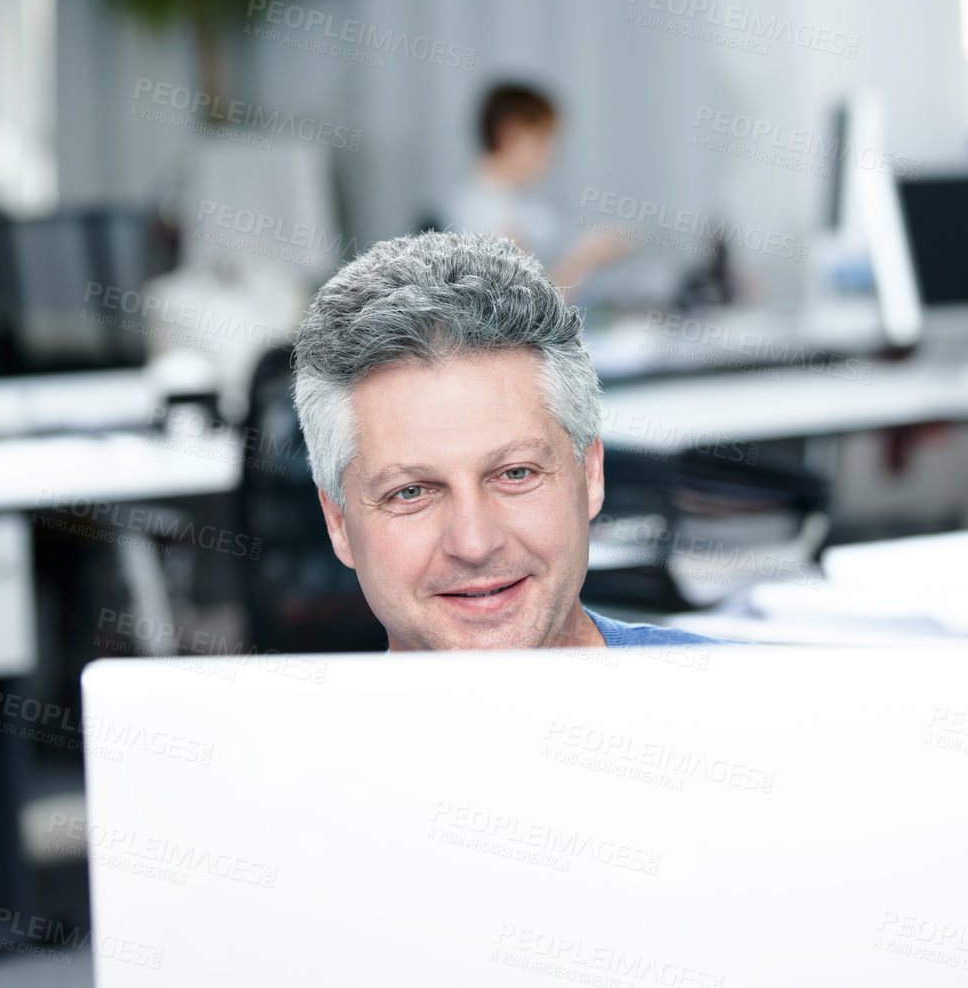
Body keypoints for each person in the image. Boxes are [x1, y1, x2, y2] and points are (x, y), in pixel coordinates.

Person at [293, 229, 720, 652]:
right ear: (338, 523)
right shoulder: (288, 724)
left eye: (515, 473)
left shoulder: (749, 701)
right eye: (410, 492)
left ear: (590, 474)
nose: (474, 544)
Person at [442, 81, 628, 296]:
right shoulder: (481, 210)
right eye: (541, 140)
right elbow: (528, 308)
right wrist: (584, 259)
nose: (552, 152)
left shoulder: (524, 202)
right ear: (509, 135)